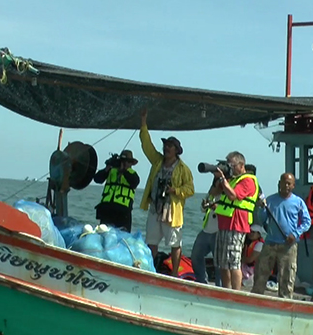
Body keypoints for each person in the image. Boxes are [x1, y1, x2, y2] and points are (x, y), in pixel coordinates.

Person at [139, 109, 195, 277]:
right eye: (165, 145)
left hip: (172, 212)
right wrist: (143, 123)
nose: (166, 148)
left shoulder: (184, 169)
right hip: (156, 208)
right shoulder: (157, 161)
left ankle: (175, 274)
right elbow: (147, 146)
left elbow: (190, 189)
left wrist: (175, 190)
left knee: (175, 244)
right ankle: (150, 269)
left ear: (176, 150)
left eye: (170, 146)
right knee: (151, 243)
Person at [252, 173, 311, 299]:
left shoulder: (298, 202)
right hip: (270, 244)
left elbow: (307, 222)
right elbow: (262, 219)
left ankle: (285, 303)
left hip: (288, 246)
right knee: (260, 274)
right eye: (284, 182)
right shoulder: (270, 200)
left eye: (289, 183)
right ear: (279, 183)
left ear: (293, 186)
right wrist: (261, 209)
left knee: (287, 277)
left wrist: (295, 234)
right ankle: (256, 299)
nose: (286, 186)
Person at [211, 151, 259, 291]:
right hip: (224, 224)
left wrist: (223, 181)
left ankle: (236, 293)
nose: (229, 168)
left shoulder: (248, 180)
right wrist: (218, 179)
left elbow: (233, 196)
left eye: (231, 165)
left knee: (233, 262)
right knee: (222, 262)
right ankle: (226, 290)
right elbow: (213, 193)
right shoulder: (231, 179)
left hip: (237, 225)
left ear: (241, 165)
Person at [93, 150, 140, 232]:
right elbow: (97, 179)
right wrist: (107, 168)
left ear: (131, 163)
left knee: (123, 237)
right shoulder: (111, 171)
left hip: (123, 212)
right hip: (107, 209)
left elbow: (134, 183)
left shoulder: (132, 174)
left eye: (126, 162)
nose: (123, 164)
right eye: (121, 161)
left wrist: (124, 171)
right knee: (103, 233)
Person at [191, 178, 223, 286]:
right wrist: (209, 198)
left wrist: (215, 207)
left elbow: (226, 212)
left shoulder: (227, 196)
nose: (216, 186)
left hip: (219, 232)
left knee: (218, 262)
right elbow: (202, 209)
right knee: (196, 255)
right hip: (206, 230)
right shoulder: (211, 194)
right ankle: (201, 281)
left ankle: (220, 286)